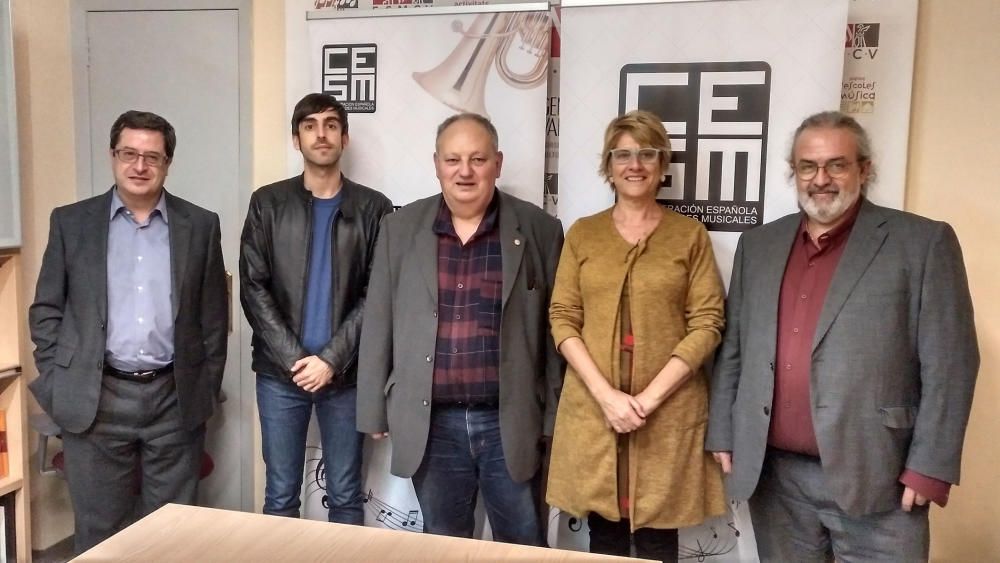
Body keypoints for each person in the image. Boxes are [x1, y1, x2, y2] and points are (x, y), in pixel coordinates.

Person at [706, 111, 979, 562]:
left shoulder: (922, 242)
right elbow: (734, 349)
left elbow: (951, 365)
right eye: (808, 167)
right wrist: (723, 432)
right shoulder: (760, 245)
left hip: (880, 476)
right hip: (776, 479)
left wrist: (929, 468)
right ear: (794, 173)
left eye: (837, 164)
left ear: (864, 169)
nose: (821, 179)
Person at [356, 113, 564, 545]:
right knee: (444, 545)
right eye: (453, 159)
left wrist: (553, 417)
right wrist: (373, 408)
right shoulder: (399, 229)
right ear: (436, 164)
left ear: (498, 163)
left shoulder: (541, 230)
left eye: (477, 159)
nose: (464, 171)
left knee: (523, 545)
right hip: (433, 423)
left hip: (511, 421)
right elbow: (379, 320)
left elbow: (554, 331)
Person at [29, 110, 228, 553]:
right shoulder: (71, 222)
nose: (139, 166)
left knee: (172, 534)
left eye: (152, 157)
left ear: (168, 163)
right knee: (100, 533)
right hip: (95, 398)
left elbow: (214, 319)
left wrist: (203, 386)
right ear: (113, 156)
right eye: (129, 154)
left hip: (173, 399)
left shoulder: (200, 225)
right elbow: (46, 310)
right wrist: (61, 380)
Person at [546, 110, 727, 561]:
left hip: (665, 415)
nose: (635, 164)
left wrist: (645, 401)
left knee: (656, 540)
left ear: (662, 164)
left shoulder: (689, 236)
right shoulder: (583, 235)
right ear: (608, 166)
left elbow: (707, 322)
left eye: (647, 153)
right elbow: (563, 316)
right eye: (622, 154)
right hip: (594, 410)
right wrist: (606, 395)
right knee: (603, 537)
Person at [240, 93, 393, 523]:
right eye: (310, 125)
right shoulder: (267, 203)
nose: (320, 133)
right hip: (279, 375)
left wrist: (330, 360)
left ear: (344, 137)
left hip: (345, 377)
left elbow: (377, 293)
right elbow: (253, 288)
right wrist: (295, 360)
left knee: (345, 494)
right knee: (280, 494)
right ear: (297, 139)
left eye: (330, 124)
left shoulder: (373, 207)